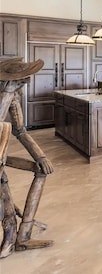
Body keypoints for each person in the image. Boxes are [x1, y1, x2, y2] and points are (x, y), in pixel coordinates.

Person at [0, 57, 54, 258]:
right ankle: (10, 237)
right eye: (22, 78)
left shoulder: (12, 97)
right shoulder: (4, 94)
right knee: (3, 190)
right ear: (9, 80)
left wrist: (40, 156)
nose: (27, 82)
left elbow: (20, 130)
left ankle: (23, 235)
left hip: (2, 153)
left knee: (40, 170)